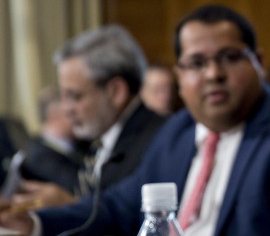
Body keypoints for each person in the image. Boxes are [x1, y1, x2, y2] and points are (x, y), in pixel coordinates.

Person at [0, 5, 270, 236]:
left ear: (259, 62)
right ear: (179, 75)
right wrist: (32, 224)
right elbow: (117, 207)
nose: (213, 74)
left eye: (228, 58)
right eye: (196, 63)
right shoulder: (177, 130)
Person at [10, 25, 167, 208]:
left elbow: (136, 221)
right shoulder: (101, 140)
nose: (66, 109)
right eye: (63, 96)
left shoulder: (158, 141)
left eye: (75, 96)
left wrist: (70, 205)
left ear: (115, 92)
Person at [16, 85, 83, 199]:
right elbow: (78, 188)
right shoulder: (38, 155)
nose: (78, 115)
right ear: (54, 115)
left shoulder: (83, 144)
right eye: (70, 111)